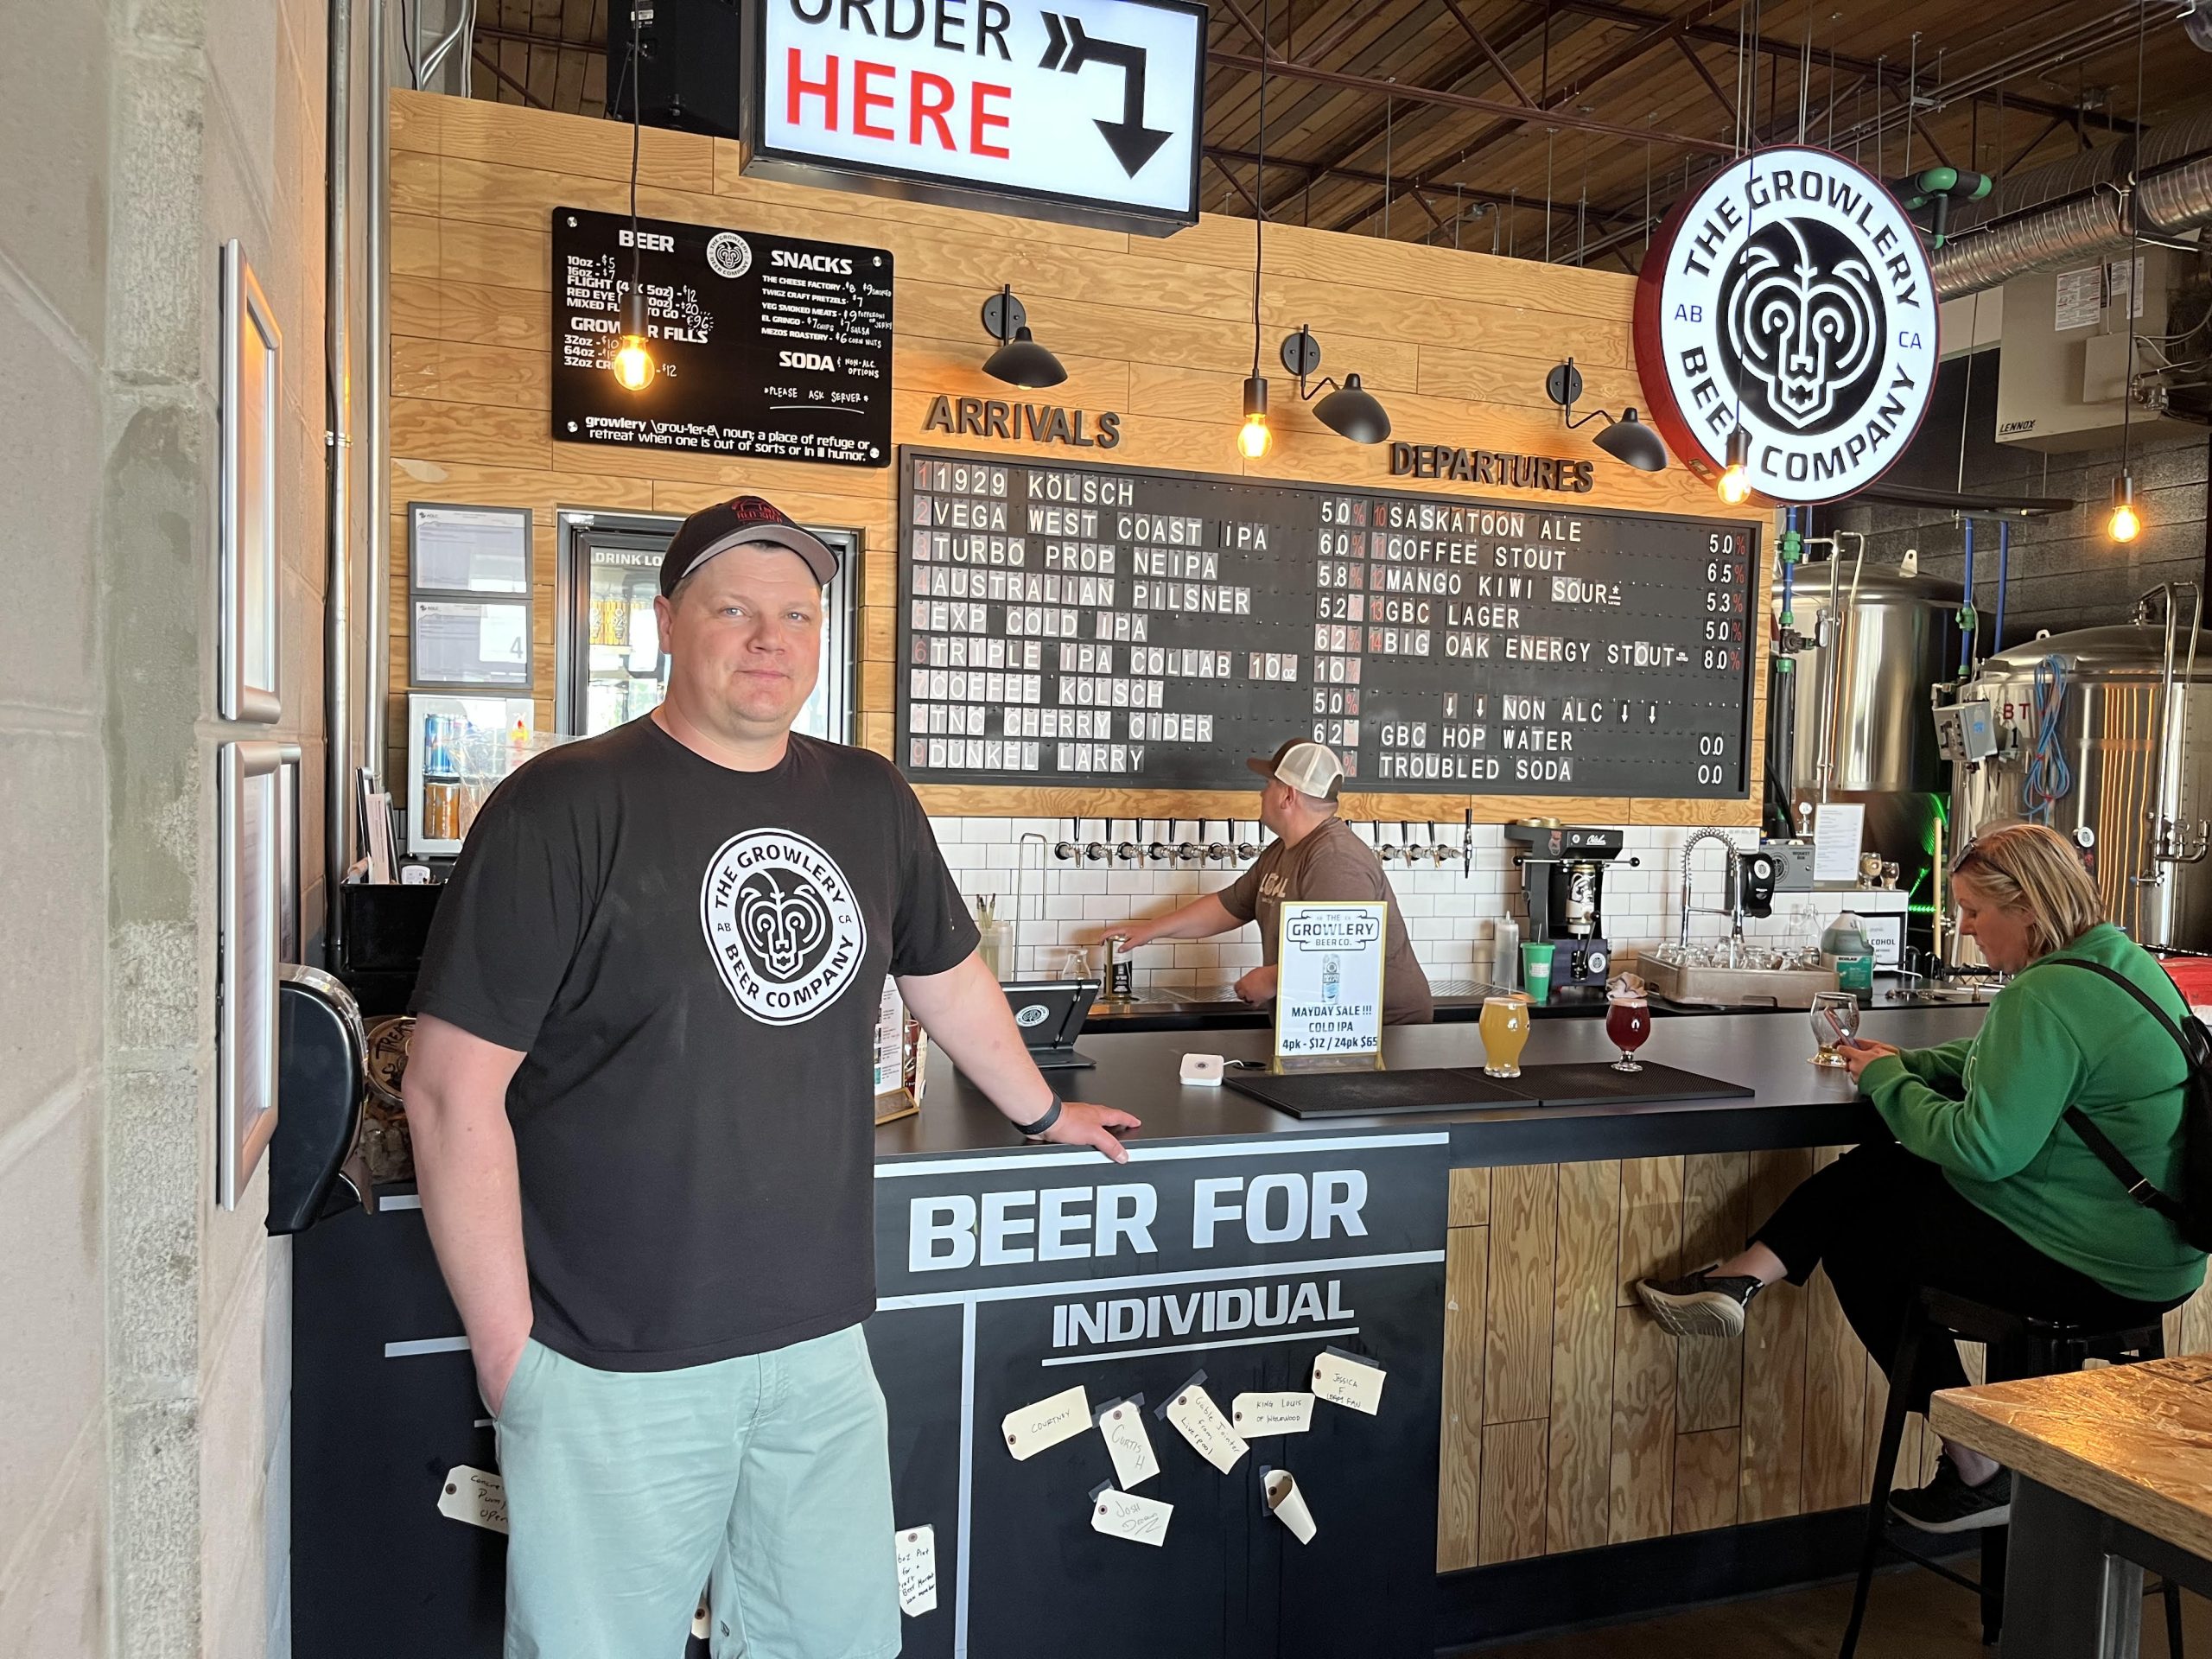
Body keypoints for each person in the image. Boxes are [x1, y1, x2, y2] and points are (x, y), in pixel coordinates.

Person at [404, 493, 1140, 1659]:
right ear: (665, 623)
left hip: (816, 1348)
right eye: (734, 608)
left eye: (797, 613)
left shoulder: (867, 799)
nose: (769, 638)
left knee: (836, 1646)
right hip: (611, 1357)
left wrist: (1043, 1111)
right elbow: (448, 1089)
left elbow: (945, 976)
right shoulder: (561, 806)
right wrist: (514, 1360)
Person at [1636, 822, 2204, 1533]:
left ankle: (1976, 1466)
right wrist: (1908, 1066)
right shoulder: (2119, 960)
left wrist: (1887, 1085)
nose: (1964, 930)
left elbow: (1983, 1148)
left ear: (2026, 906)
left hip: (2099, 1263)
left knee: (1865, 1231)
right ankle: (1742, 1276)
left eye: (1974, 910)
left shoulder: (2047, 993)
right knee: (1893, 1172)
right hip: (2162, 1252)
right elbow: (2019, 1066)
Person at [1113, 738, 1433, 1025]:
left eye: (1269, 783)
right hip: (1324, 1023)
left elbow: (1342, 956)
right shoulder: (1284, 850)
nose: (1262, 792)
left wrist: (1272, 979)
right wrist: (1148, 932)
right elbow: (1229, 905)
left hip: (1383, 1027)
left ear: (1287, 796)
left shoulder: (1335, 859)